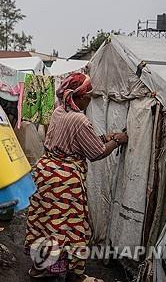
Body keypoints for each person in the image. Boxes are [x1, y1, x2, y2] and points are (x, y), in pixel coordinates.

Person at [24, 73, 128, 282]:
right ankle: (75, 275)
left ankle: (40, 269)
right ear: (79, 97)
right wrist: (117, 140)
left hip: (45, 173)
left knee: (46, 223)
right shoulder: (80, 119)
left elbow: (72, 142)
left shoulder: (59, 112)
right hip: (64, 181)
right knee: (67, 227)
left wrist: (102, 137)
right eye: (88, 95)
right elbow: (96, 152)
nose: (90, 99)